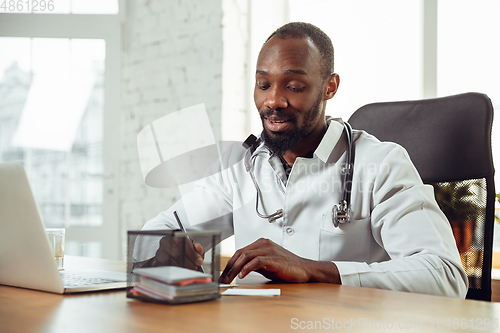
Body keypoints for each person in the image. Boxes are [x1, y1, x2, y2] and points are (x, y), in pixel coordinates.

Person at [142, 22, 468, 298]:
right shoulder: (239, 165)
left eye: (294, 86)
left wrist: (313, 270)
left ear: (329, 87)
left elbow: (446, 275)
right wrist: (166, 249)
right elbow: (157, 233)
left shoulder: (381, 164)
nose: (273, 100)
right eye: (263, 84)